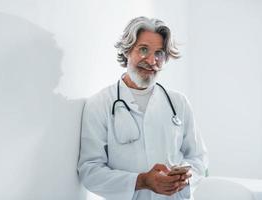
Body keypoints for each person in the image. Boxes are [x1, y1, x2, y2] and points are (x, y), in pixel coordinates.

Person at [77, 16, 208, 200]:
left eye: (159, 53)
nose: (152, 60)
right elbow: (90, 171)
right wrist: (142, 180)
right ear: (127, 50)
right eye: (143, 49)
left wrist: (185, 178)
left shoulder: (179, 102)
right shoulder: (100, 104)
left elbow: (199, 159)